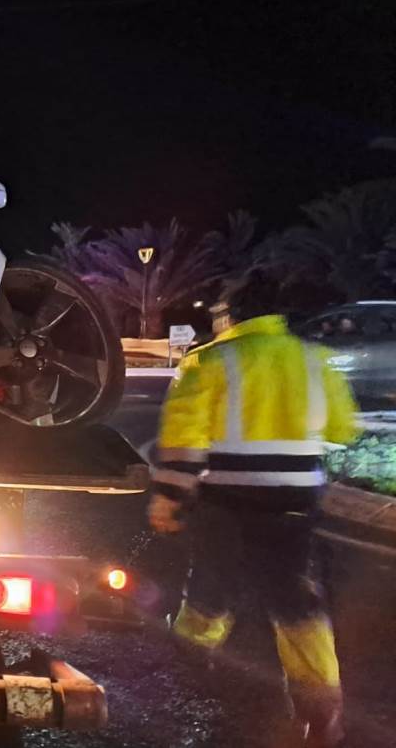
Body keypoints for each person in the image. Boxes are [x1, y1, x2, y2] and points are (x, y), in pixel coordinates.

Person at [147, 268, 358, 747]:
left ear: (230, 315)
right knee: (295, 598)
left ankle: (183, 672)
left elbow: (183, 441)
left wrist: (169, 498)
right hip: (295, 499)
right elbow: (343, 428)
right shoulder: (314, 360)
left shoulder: (208, 361)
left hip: (226, 498)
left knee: (213, 583)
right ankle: (321, 709)